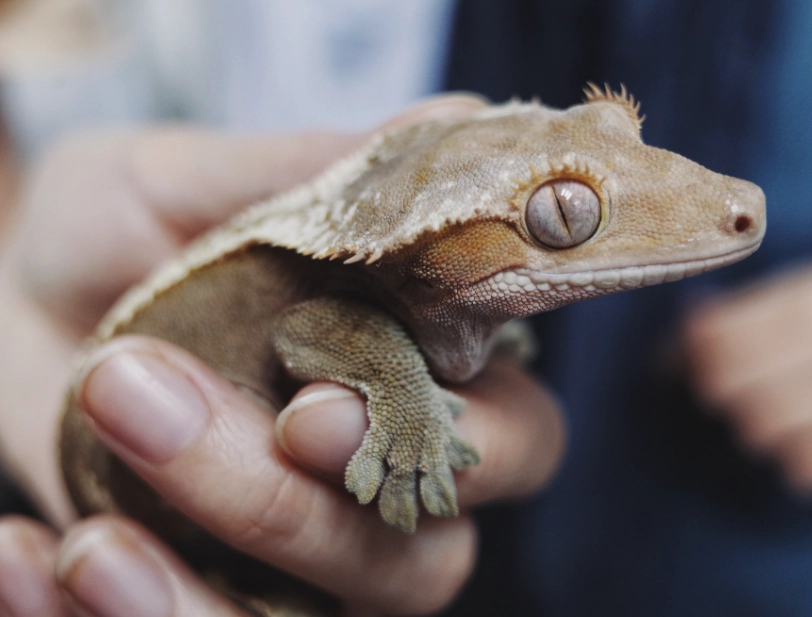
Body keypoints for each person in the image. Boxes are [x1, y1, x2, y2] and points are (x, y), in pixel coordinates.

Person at [1, 1, 812, 616]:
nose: (737, 207)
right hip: (109, 477)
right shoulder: (356, 279)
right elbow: (307, 326)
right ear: (434, 255)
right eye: (566, 217)